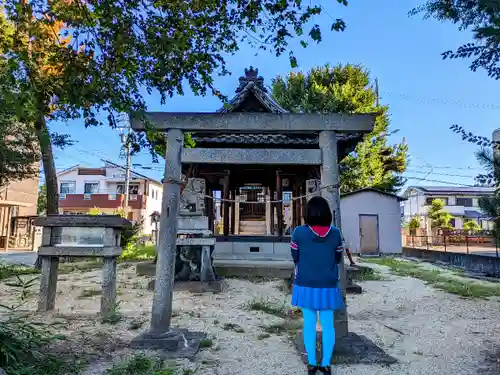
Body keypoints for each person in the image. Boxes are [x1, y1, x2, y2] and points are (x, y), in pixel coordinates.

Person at [291, 196, 344, 375]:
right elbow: (338, 258)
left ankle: (312, 364)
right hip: (328, 285)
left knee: (309, 324)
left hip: (306, 284)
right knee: (328, 325)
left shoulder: (298, 232)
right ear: (328, 213)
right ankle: (326, 364)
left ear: (307, 213)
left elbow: (295, 257)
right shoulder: (335, 233)